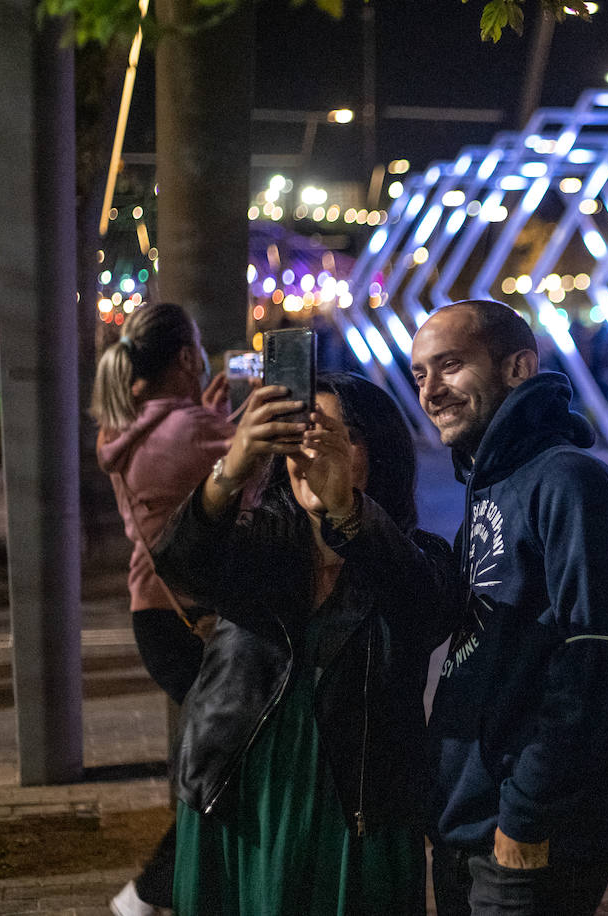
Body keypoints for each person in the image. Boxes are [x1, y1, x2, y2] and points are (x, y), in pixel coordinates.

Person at [152, 372, 455, 914]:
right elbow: (179, 565)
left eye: (337, 438)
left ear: (380, 453)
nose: (313, 455)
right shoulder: (253, 544)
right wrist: (231, 469)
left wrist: (349, 513)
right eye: (300, 437)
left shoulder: (416, 557)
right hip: (241, 796)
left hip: (360, 808)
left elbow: (425, 610)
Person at [409, 299, 608, 916]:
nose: (431, 390)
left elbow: (596, 659)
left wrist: (528, 814)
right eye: (419, 374)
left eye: (451, 365)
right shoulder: (489, 483)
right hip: (469, 819)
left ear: (518, 368)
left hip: (529, 829)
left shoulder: (568, 481)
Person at [91, 302, 235, 916]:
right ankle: (148, 893)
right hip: (193, 621)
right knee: (227, 769)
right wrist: (245, 422)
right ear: (184, 356)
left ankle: (168, 891)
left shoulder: (132, 428)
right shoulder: (191, 429)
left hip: (153, 614)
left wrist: (213, 418)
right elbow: (260, 476)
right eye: (196, 349)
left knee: (221, 760)